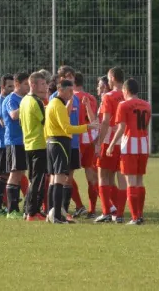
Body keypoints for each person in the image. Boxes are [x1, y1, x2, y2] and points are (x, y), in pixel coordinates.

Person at [45, 80, 97, 224]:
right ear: (60, 90)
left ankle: (52, 214)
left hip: (51, 142)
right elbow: (67, 128)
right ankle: (56, 216)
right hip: (60, 143)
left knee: (55, 179)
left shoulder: (53, 104)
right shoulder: (58, 105)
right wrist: (87, 127)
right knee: (60, 179)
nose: (71, 95)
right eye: (69, 91)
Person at [107, 78, 152, 225]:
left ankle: (134, 218)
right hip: (144, 144)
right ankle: (140, 215)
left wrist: (111, 144)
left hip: (130, 145)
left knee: (131, 181)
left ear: (125, 91)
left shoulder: (123, 105)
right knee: (139, 181)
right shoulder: (147, 105)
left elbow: (121, 128)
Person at [48, 66, 85, 218]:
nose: (70, 79)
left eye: (72, 76)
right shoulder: (56, 99)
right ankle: (55, 211)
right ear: (60, 79)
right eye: (67, 76)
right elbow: (65, 125)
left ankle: (62, 210)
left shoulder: (75, 97)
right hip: (59, 141)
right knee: (57, 177)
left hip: (72, 142)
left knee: (67, 177)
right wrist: (87, 128)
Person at [94, 67, 126, 223]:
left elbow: (106, 121)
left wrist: (98, 143)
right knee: (121, 177)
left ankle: (106, 212)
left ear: (112, 77)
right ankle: (119, 214)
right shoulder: (128, 96)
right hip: (125, 142)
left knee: (103, 175)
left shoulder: (109, 96)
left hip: (109, 140)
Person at [19, 72, 48, 221]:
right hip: (39, 144)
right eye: (42, 84)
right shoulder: (36, 102)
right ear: (33, 85)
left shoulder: (24, 101)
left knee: (33, 179)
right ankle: (32, 212)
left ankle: (27, 210)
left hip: (28, 144)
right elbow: (46, 122)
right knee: (38, 179)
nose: (45, 87)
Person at [1, 72, 30, 219]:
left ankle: (18, 208)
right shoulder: (11, 99)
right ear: (17, 84)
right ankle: (11, 210)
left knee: (20, 174)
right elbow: (13, 115)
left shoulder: (26, 98)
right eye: (26, 84)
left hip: (25, 141)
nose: (28, 87)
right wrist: (27, 104)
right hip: (14, 141)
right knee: (14, 173)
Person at [73, 72, 99, 218]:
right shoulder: (91, 97)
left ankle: (79, 205)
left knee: (66, 173)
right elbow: (93, 117)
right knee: (91, 173)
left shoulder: (71, 96)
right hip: (90, 137)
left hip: (77, 136)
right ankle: (92, 209)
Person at [0, 74, 14, 217]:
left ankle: (5, 205)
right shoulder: (0, 102)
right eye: (9, 86)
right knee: (3, 175)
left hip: (7, 143)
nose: (12, 89)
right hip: (2, 144)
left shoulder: (8, 100)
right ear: (2, 87)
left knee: (7, 174)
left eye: (13, 86)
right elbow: (2, 122)